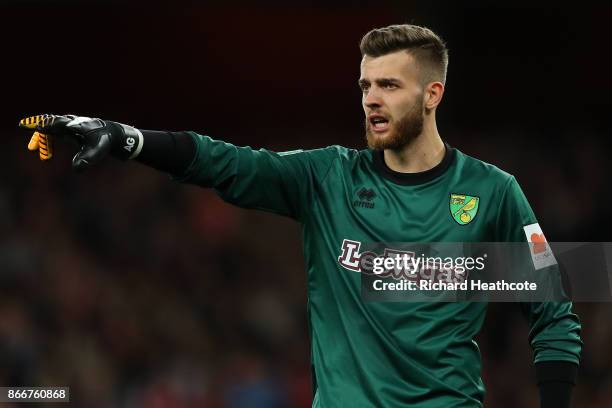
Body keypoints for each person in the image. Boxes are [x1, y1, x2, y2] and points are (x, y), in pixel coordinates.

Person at [20, 24, 581, 408]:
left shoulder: (493, 192)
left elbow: (554, 313)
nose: (371, 99)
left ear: (433, 94)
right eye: (365, 84)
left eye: (389, 84)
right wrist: (127, 138)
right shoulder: (326, 178)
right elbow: (225, 163)